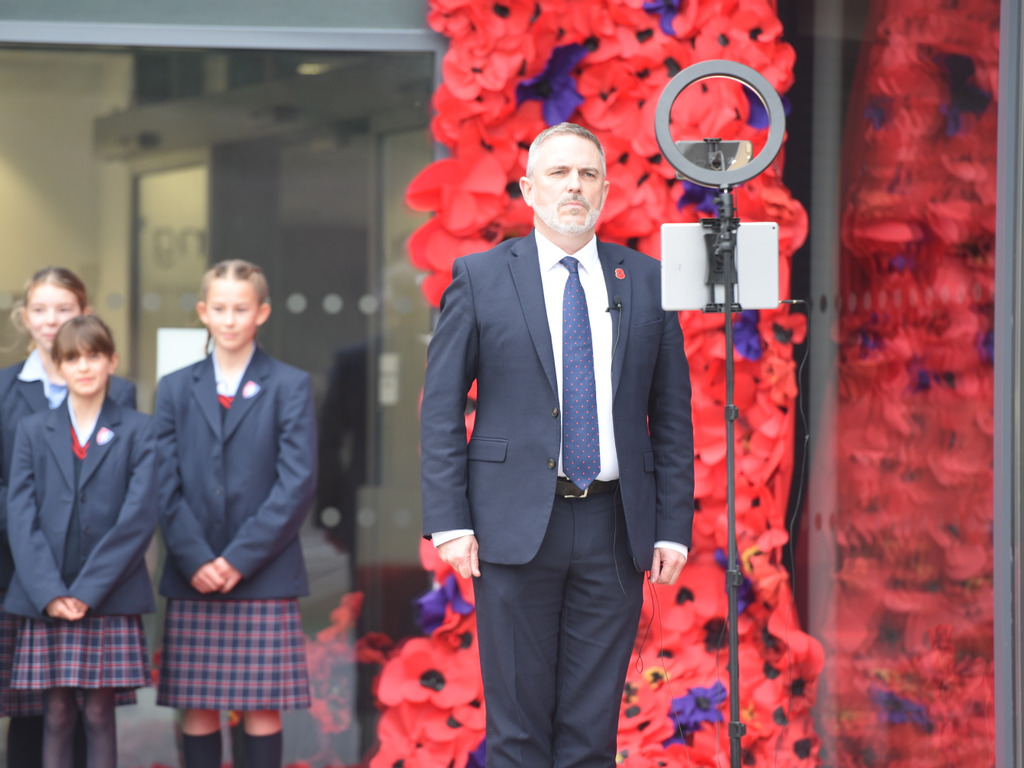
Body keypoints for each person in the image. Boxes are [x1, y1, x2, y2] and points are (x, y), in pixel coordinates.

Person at [419, 122, 695, 768]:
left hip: (613, 527)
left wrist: (673, 527)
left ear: (605, 188)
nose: (574, 186)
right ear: (529, 189)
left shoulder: (646, 281)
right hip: (511, 528)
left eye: (588, 174)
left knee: (591, 733)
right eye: (559, 173)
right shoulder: (481, 277)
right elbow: (440, 410)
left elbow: (672, 415)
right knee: (516, 732)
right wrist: (449, 522)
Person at [153, 259, 317, 768]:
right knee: (196, 706)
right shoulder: (175, 387)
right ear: (203, 312)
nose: (229, 319)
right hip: (191, 570)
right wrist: (195, 557)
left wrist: (239, 559)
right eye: (219, 308)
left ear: (261, 313)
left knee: (261, 706)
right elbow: (161, 480)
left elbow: (298, 481)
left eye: (240, 309)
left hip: (263, 572)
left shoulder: (290, 384)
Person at [4, 315, 156, 768]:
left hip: (107, 594)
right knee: (55, 712)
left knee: (99, 711)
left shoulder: (138, 429)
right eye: (72, 358)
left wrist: (87, 592)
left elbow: (138, 518)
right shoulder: (33, 430)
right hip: (46, 593)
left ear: (112, 361)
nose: (84, 366)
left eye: (94, 355)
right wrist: (50, 592)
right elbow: (21, 514)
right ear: (59, 366)